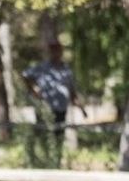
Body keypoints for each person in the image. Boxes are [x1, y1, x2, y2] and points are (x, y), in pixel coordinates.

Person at [20, 39, 88, 168]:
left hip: (61, 109)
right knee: (44, 135)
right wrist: (33, 91)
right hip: (46, 108)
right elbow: (25, 75)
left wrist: (81, 109)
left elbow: (72, 91)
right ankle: (41, 162)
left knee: (58, 137)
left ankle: (55, 162)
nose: (55, 53)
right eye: (53, 50)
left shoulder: (66, 70)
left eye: (58, 50)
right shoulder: (42, 67)